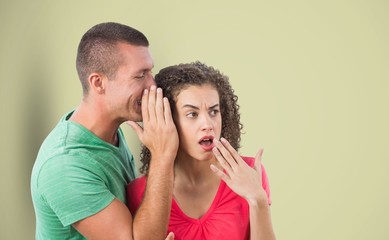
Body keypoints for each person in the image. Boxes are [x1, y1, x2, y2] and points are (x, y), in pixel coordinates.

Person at [31, 22, 177, 240]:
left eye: (151, 72)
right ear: (98, 83)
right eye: (140, 75)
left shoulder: (110, 131)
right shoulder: (63, 165)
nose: (153, 85)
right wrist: (162, 155)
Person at [127, 62, 276, 240]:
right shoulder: (139, 192)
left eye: (214, 112)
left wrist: (258, 200)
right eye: (192, 114)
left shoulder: (249, 172)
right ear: (168, 120)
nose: (207, 125)